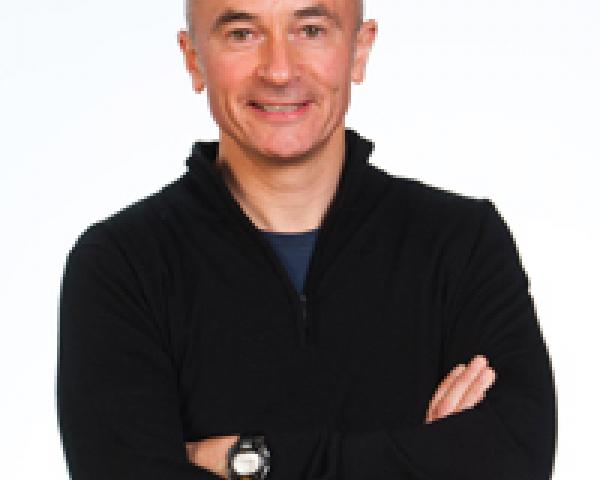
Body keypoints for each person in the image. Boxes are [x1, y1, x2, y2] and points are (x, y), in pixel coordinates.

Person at [56, 0, 557, 479]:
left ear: (359, 49)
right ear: (194, 59)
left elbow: (513, 459)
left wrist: (251, 461)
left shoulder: (462, 243)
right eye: (243, 34)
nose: (279, 70)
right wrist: (425, 457)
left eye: (311, 30)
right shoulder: (122, 267)